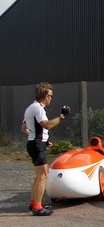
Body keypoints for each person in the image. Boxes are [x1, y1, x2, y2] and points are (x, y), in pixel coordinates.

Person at [21, 82, 70, 216]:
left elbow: (24, 129)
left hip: (34, 143)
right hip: (36, 144)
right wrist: (62, 116)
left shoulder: (30, 108)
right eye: (50, 96)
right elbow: (47, 125)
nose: (51, 98)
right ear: (43, 95)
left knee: (39, 176)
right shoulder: (38, 108)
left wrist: (42, 139)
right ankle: (37, 206)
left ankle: (33, 203)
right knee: (43, 176)